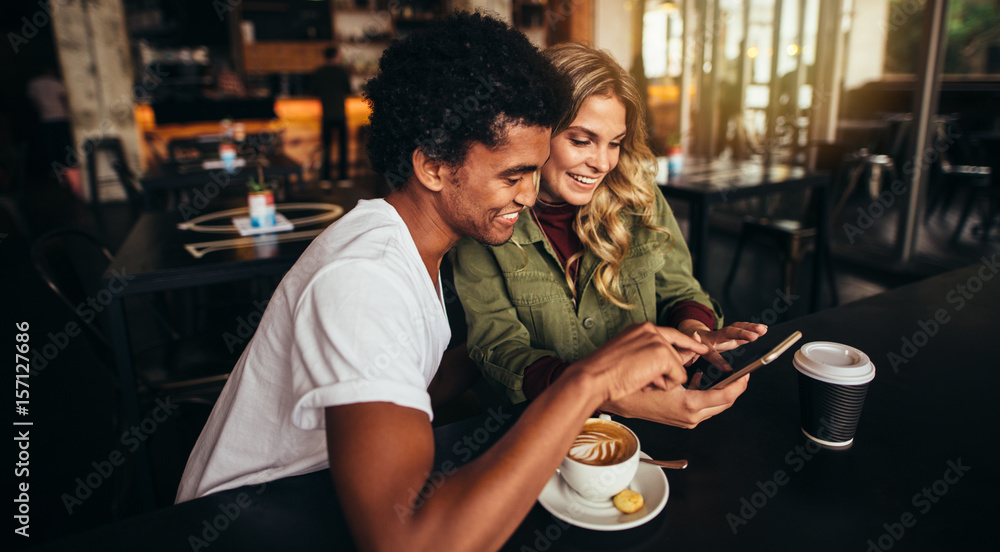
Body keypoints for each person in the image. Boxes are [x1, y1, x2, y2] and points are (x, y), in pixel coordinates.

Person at [177, 14, 710, 551]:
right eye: (513, 175)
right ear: (433, 167)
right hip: (248, 523)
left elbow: (412, 376)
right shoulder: (363, 281)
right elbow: (411, 544)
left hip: (315, 499)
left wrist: (532, 361)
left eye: (535, 171)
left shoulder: (409, 244)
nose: (528, 197)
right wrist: (591, 380)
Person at [454, 43, 766, 428]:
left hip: (649, 424)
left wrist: (695, 334)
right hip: (536, 433)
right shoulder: (487, 218)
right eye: (581, 140)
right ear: (536, 130)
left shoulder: (639, 193)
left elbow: (680, 290)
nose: (602, 162)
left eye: (614, 143)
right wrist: (613, 395)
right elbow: (500, 350)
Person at [311, 45, 351, 183]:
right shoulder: (342, 72)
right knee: (343, 148)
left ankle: (325, 178)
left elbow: (312, 91)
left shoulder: (319, 73)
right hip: (340, 114)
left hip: (326, 115)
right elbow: (348, 90)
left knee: (326, 148)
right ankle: (343, 178)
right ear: (335, 56)